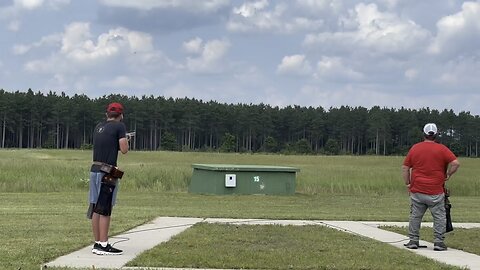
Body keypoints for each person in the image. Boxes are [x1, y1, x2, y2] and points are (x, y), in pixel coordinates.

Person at [402, 123, 460, 251]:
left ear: (424, 134)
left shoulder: (415, 148)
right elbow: (455, 163)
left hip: (417, 190)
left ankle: (413, 240)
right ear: (436, 135)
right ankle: (438, 242)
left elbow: (405, 167)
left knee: (415, 216)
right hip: (436, 190)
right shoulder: (442, 149)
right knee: (439, 216)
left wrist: (408, 183)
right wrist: (448, 174)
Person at [87, 102, 129, 255]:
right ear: (120, 115)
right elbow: (124, 150)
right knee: (105, 208)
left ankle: (97, 242)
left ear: (107, 114)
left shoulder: (99, 126)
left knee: (95, 207)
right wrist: (125, 138)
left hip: (95, 169)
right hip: (108, 172)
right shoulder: (120, 127)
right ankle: (104, 244)